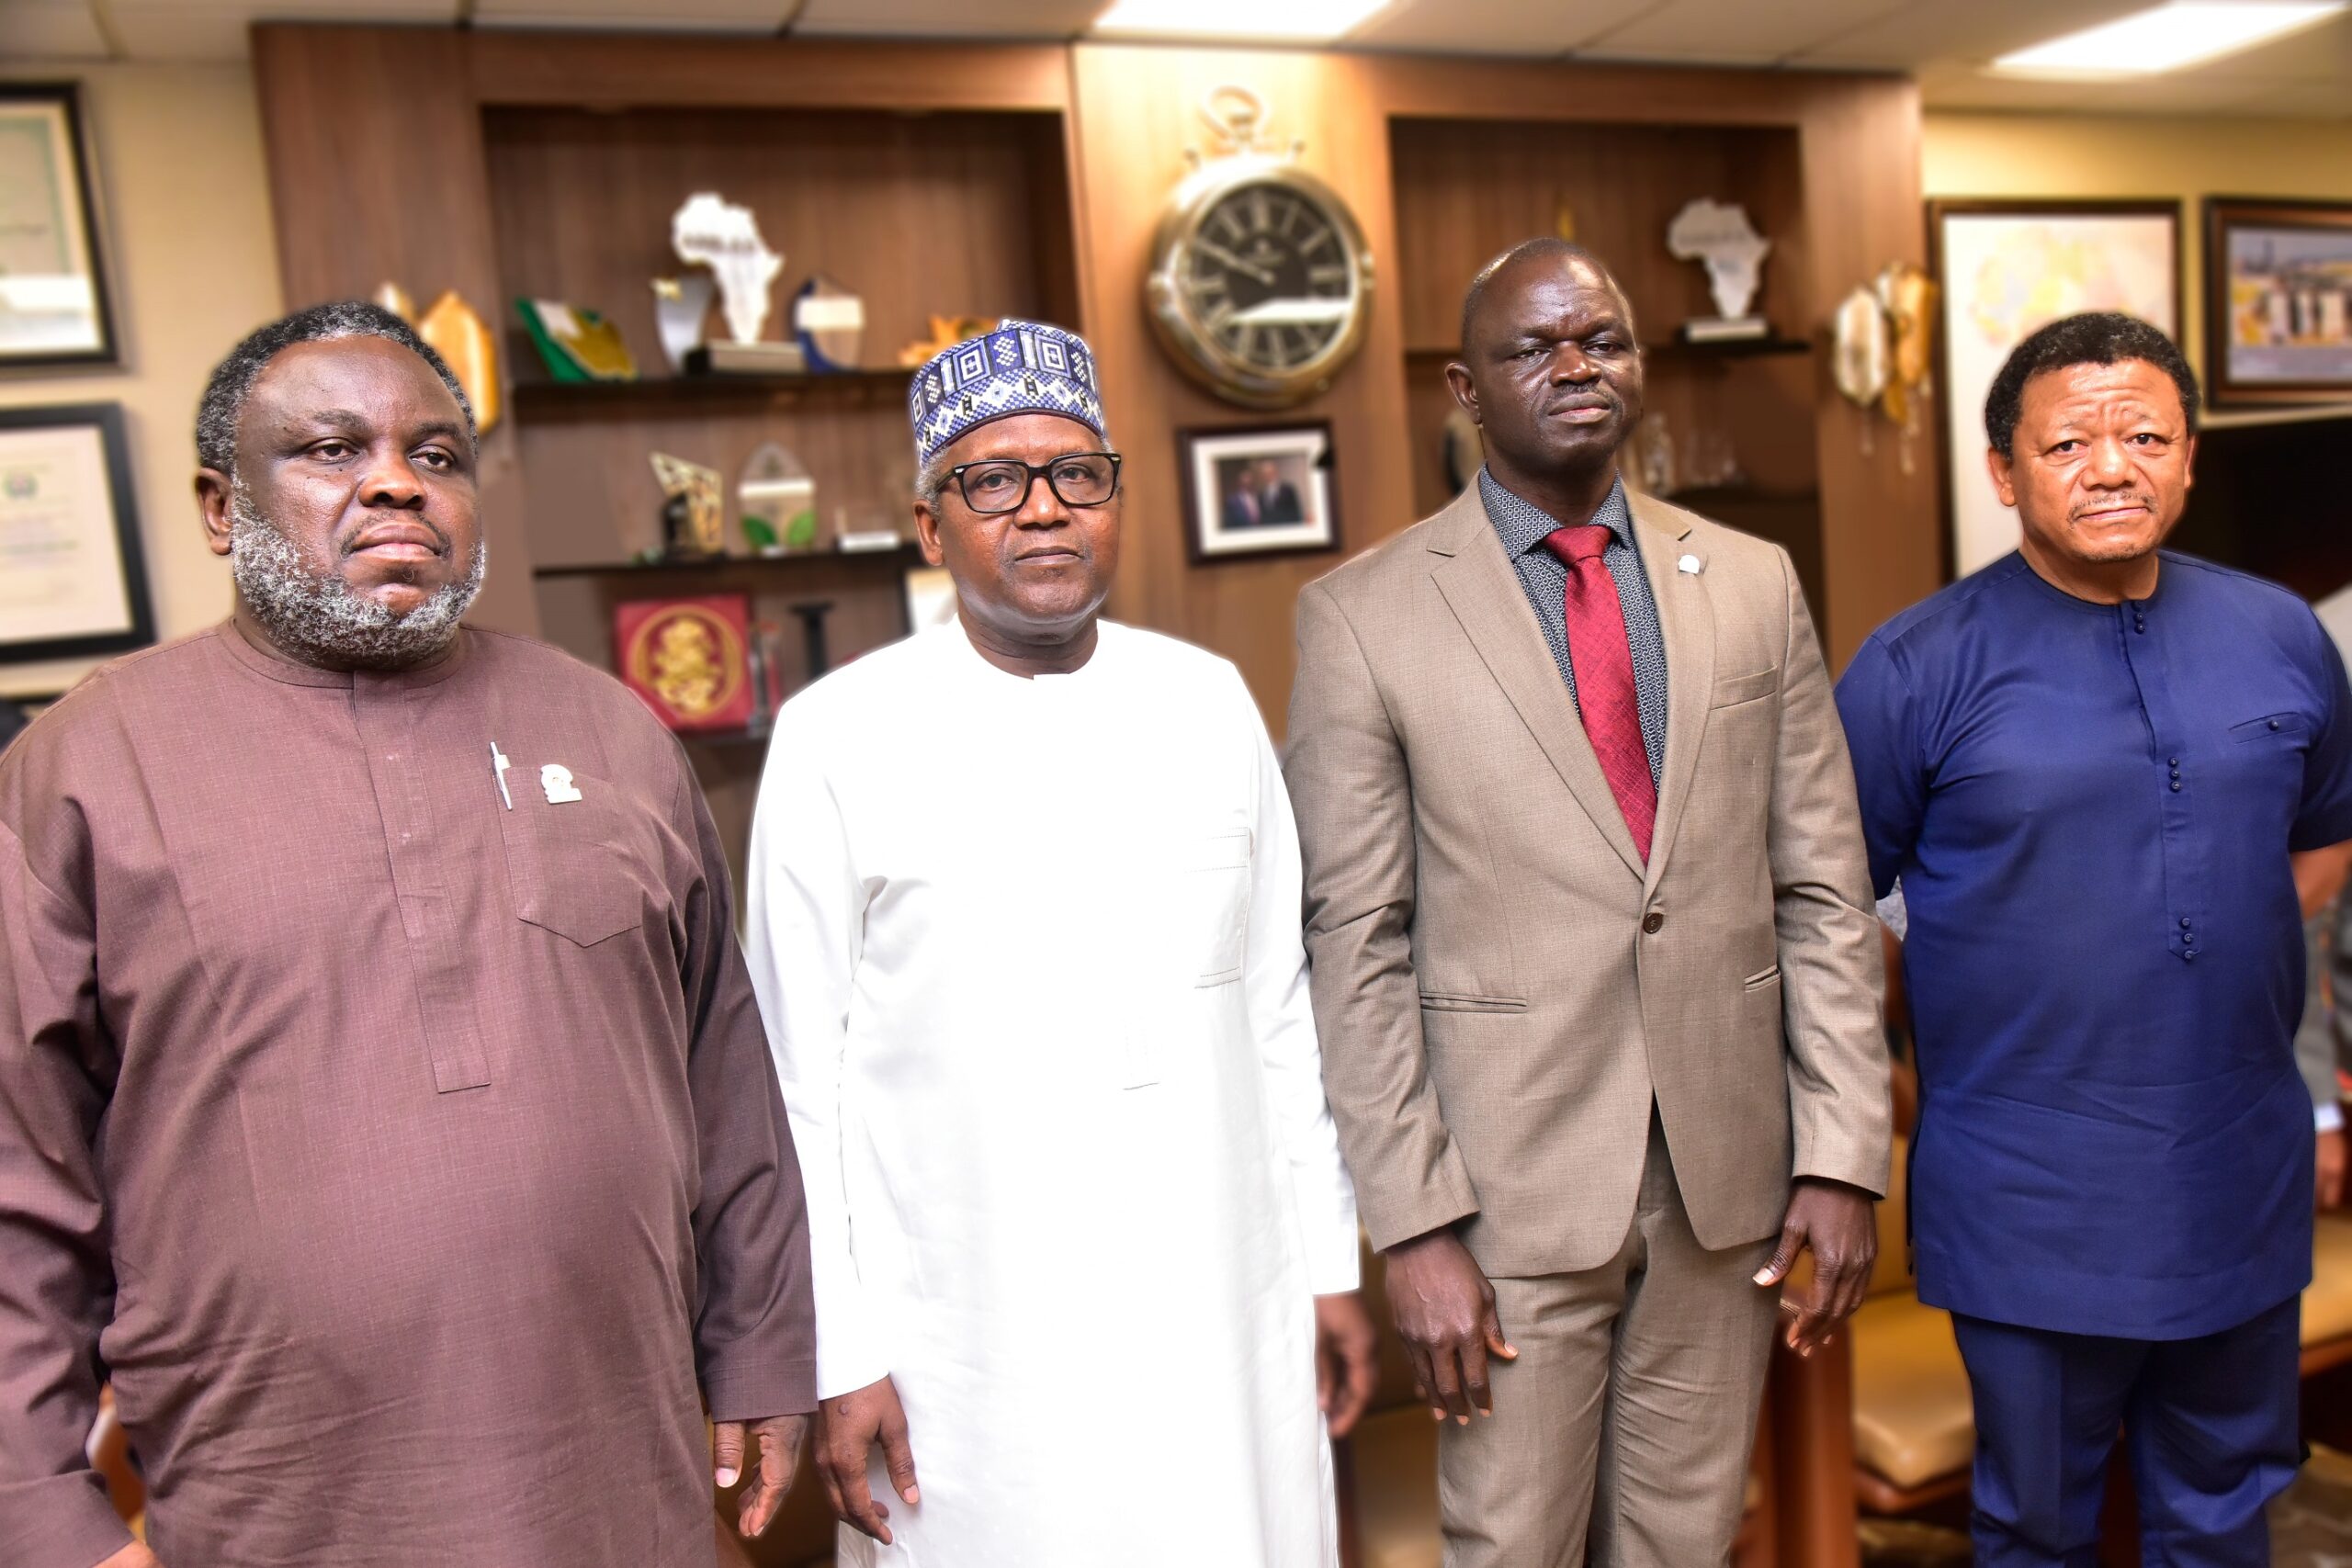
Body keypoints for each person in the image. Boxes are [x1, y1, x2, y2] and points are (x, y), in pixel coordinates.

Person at [0, 302, 816, 1568]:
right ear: (222, 508)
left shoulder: (609, 734)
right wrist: (42, 1509)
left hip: (622, 1473)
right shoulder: (87, 766)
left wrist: (762, 1346)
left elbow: (724, 1069)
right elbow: (18, 1170)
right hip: (283, 1499)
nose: (394, 481)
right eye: (331, 450)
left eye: (436, 455)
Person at [1285, 239, 1889, 1568]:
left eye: (1603, 340)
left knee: (1683, 1545)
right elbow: (1355, 945)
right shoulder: (1362, 618)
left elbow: (1826, 891)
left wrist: (1842, 1152)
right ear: (1464, 385)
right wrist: (1417, 1226)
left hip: (1725, 1183)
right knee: (1514, 1547)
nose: (1576, 367)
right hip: (1507, 1197)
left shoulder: (1750, 580)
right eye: (1532, 348)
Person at [742, 319, 1375, 1568]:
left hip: (1221, 1316)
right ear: (933, 525)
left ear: (1114, 502)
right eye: (994, 480)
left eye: (1076, 474)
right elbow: (794, 1087)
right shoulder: (835, 739)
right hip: (972, 1355)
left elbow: (1277, 1014)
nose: (1043, 509)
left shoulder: (1208, 700)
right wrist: (840, 1353)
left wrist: (1325, 1262)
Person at [1836, 311, 2352, 1565]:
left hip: (2239, 1175)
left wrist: (2193, 936)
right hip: (2031, 1198)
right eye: (2067, 441)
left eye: (2143, 435)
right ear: (2006, 473)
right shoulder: (1915, 669)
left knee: (2228, 1510)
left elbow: (2324, 835)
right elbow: (1833, 909)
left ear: (2187, 461)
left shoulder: (2283, 634)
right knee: (2039, 1526)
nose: (2110, 464)